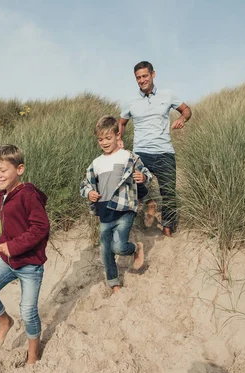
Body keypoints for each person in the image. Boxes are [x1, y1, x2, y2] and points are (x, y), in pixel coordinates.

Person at [0, 144, 50, 365]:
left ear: (19, 169)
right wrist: (2, 244)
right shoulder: (3, 195)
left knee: (28, 312)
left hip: (30, 264)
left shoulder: (28, 195)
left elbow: (40, 228)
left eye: (3, 170)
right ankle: (5, 322)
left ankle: (33, 353)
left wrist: (14, 246)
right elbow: (10, 226)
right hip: (8, 260)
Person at [119, 61, 192, 237]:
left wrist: (182, 119)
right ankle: (149, 202)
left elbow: (187, 110)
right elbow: (122, 123)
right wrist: (119, 138)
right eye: (138, 78)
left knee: (168, 192)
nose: (142, 80)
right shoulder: (130, 101)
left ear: (153, 74)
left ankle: (167, 229)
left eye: (145, 76)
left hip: (164, 152)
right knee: (133, 185)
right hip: (141, 152)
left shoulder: (168, 95)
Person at [80, 115, 153, 292]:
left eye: (108, 138)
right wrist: (89, 192)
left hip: (124, 209)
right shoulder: (96, 163)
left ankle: (135, 247)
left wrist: (143, 177)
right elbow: (85, 184)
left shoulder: (127, 157)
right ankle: (114, 283)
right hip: (105, 211)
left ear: (117, 135)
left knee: (119, 246)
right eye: (100, 139)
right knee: (106, 251)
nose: (104, 142)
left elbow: (147, 173)